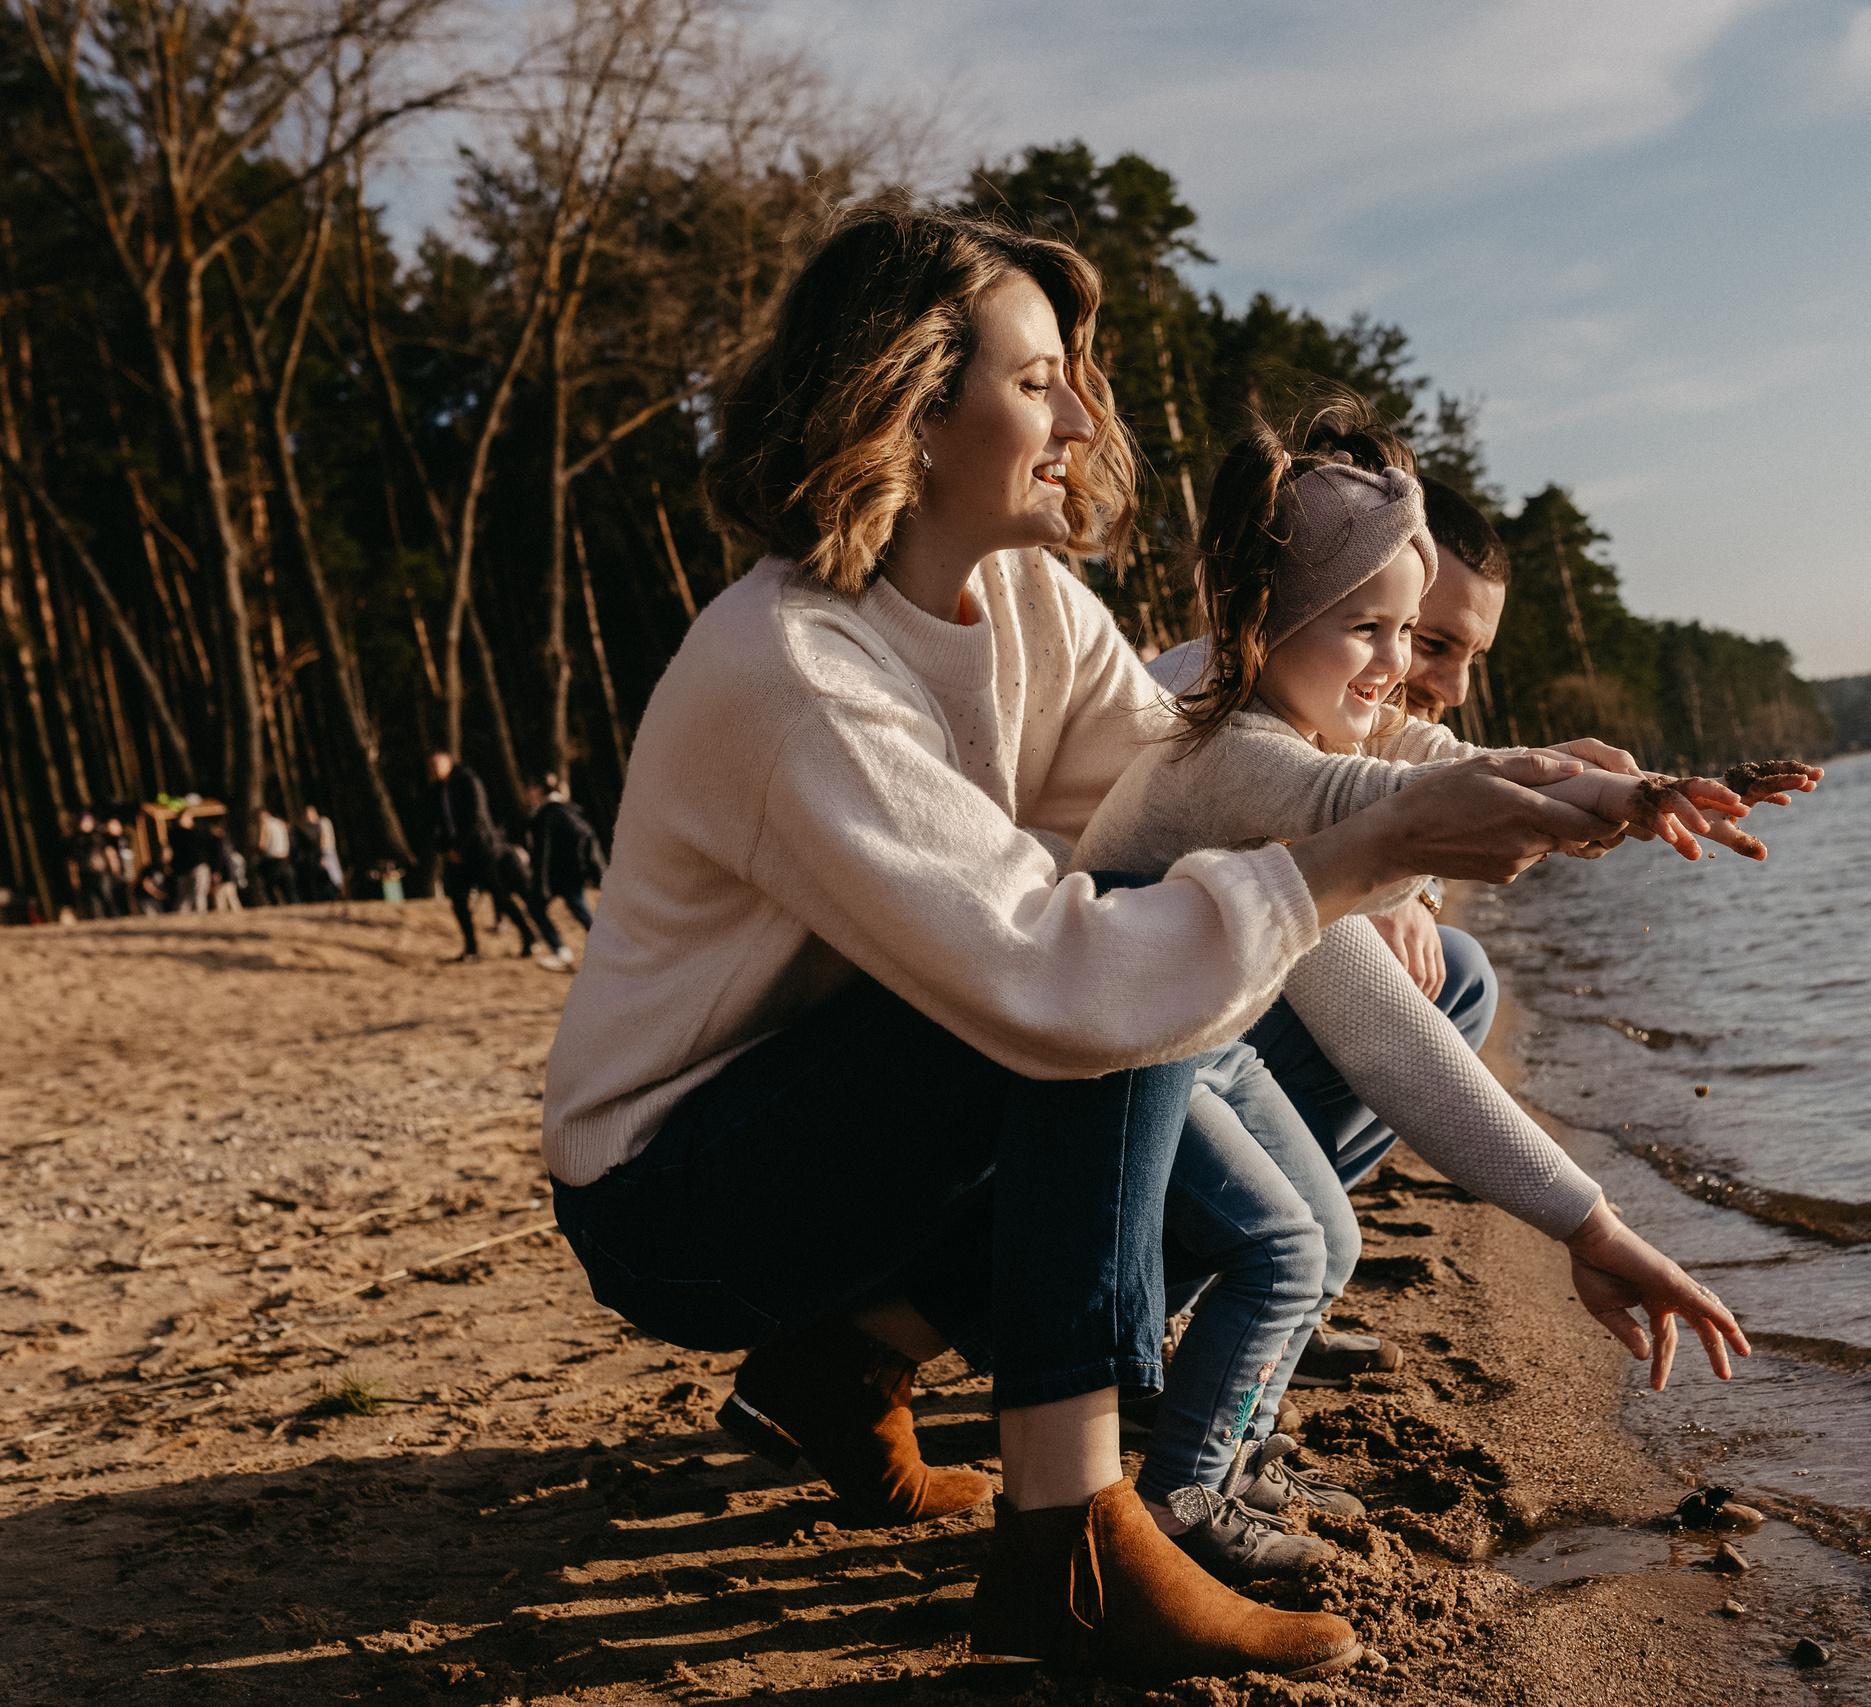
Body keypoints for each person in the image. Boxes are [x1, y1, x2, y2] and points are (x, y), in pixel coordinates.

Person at [538, 205, 1620, 1683]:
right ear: (907, 405)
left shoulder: (1029, 600)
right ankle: (1075, 1537)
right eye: (1040, 377)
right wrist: (1374, 845)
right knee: (1107, 959)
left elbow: (1218, 783)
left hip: (859, 1122)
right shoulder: (790, 670)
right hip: (680, 1192)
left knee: (1149, 937)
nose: (1088, 413)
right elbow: (1072, 973)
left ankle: (862, 1362)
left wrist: (1469, 792)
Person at [1078, 414, 1761, 1572]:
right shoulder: (1235, 759)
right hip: (1111, 1071)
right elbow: (1401, 826)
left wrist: (1632, 792)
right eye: (1370, 629)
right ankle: (1185, 1498)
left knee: (1325, 1241)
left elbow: (1437, 770)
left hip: (1193, 1047)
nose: (1398, 667)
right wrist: (1586, 1223)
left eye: (1408, 630)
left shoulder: (1290, 731)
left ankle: (1226, 1451)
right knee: (1286, 1251)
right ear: (1262, 616)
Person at [428, 751, 544, 964]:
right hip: (455, 856)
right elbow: (435, 824)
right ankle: (471, 949)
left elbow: (477, 818)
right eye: (431, 765)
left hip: (480, 850)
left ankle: (530, 936)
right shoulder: (436, 791)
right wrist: (446, 850)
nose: (433, 769)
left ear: (449, 763)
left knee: (500, 896)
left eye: (437, 764)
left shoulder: (467, 781)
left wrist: (460, 848)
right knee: (459, 901)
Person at [524, 776, 605, 951]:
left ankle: (561, 950)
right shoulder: (570, 810)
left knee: (538, 906)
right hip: (571, 872)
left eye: (530, 788)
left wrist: (541, 882)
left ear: (538, 789)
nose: (528, 793)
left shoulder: (548, 814)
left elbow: (543, 852)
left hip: (562, 873)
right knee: (579, 909)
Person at [293, 804, 343, 900]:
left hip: (326, 852)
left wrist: (322, 856)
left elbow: (322, 839)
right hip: (326, 852)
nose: (307, 817)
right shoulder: (314, 826)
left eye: (308, 814)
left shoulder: (322, 822)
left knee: (331, 876)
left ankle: (335, 896)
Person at [250, 806, 298, 907]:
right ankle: (294, 905)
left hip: (272, 859)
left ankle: (275, 904)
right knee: (288, 886)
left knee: (269, 886)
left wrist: (255, 850)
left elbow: (261, 845)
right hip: (285, 857)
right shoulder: (280, 823)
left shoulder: (265, 823)